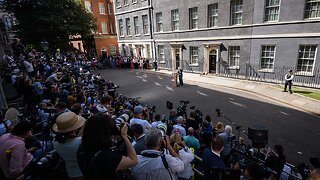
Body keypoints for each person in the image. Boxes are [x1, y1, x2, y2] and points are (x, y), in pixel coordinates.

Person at [78, 113, 138, 180]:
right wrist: (124, 136)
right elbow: (133, 160)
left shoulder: (82, 148)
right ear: (106, 132)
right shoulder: (105, 156)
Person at [53, 112, 86, 180]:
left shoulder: (56, 143)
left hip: (70, 173)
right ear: (74, 130)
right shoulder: (80, 141)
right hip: (82, 173)